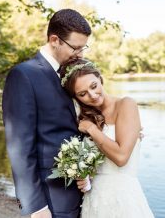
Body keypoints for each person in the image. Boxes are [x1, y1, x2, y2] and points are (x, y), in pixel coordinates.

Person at [2, 9, 92, 218]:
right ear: (54, 40)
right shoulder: (24, 75)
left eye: (84, 47)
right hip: (50, 200)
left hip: (79, 194)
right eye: (76, 48)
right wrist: (34, 206)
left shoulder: (74, 73)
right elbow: (20, 147)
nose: (81, 54)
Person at [59, 59, 155, 218]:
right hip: (94, 199)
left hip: (123, 199)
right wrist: (85, 177)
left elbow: (121, 157)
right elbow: (96, 161)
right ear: (76, 97)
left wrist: (92, 129)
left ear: (100, 78)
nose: (92, 95)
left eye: (94, 86)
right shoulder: (82, 118)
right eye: (82, 94)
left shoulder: (126, 105)